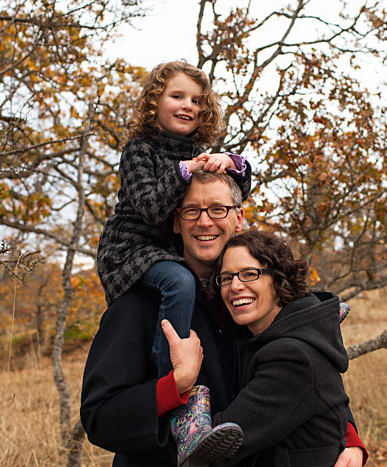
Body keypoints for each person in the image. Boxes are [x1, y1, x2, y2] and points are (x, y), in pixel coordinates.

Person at [81, 172, 367, 466]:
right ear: (176, 222)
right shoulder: (140, 304)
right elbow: (99, 418)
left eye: (218, 209)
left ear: (238, 217)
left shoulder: (252, 298)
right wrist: (176, 384)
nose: (205, 222)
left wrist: (347, 437)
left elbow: (308, 367)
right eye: (191, 211)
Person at [95, 61, 252, 465]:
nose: (188, 106)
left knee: (258, 270)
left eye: (197, 100)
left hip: (165, 253)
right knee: (180, 283)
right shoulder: (140, 149)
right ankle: (185, 405)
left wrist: (230, 164)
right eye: (177, 96)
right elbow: (149, 207)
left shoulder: (240, 293)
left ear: (236, 216)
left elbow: (301, 374)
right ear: (154, 102)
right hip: (133, 249)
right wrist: (175, 384)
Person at [165, 230, 358, 466]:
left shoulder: (292, 357)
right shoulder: (261, 333)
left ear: (278, 280)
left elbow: (216, 448)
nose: (235, 286)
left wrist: (182, 383)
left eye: (249, 274)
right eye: (226, 278)